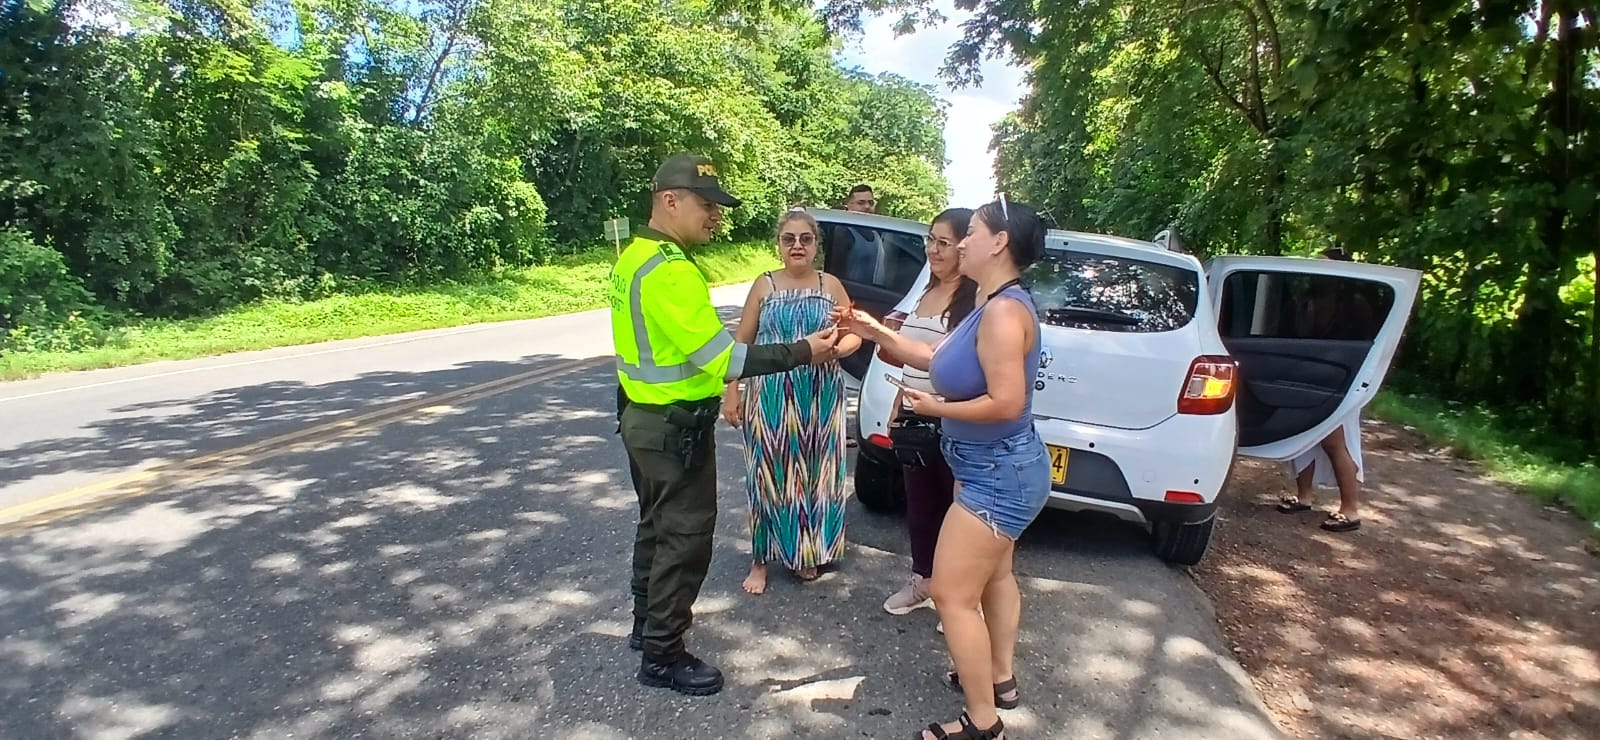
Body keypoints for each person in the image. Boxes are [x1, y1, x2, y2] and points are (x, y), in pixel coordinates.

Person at [611, 153, 839, 697]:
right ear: (670, 200)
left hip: (643, 418)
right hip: (672, 429)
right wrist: (803, 350)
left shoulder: (634, 257)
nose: (715, 216)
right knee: (684, 540)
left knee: (655, 527)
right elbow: (725, 360)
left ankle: (646, 628)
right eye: (706, 204)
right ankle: (664, 655)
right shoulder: (669, 270)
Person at [837, 195, 1050, 740]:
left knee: (952, 595)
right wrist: (876, 330)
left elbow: (1006, 400)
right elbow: (939, 360)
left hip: (996, 474)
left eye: (974, 232)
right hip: (994, 467)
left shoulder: (1002, 312)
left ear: (999, 242)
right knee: (997, 575)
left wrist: (936, 408)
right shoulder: (991, 299)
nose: (964, 241)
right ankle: (1000, 679)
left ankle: (982, 722)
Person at [829, 208, 978, 616]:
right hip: (916, 417)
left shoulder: (977, 300)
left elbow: (940, 359)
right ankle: (923, 582)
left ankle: (964, 601)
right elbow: (907, 359)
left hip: (959, 421)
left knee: (960, 515)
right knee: (920, 507)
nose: (932, 249)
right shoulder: (926, 291)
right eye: (930, 239)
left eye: (943, 243)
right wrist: (897, 404)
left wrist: (875, 330)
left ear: (967, 246)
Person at [723, 209, 862, 593]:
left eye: (806, 238)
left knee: (817, 474)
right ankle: (760, 561)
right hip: (771, 395)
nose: (797, 245)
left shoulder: (829, 284)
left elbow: (854, 334)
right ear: (779, 245)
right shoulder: (763, 285)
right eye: (789, 239)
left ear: (816, 244)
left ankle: (805, 552)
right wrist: (732, 390)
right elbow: (742, 342)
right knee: (768, 475)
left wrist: (838, 349)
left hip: (819, 394)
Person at [1275, 247, 1370, 532]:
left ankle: (1350, 510)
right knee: (1301, 435)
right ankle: (1304, 496)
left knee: (1334, 442)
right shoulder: (1309, 301)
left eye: (1324, 267)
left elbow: (1367, 344)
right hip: (1310, 375)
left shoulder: (1355, 303)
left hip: (1342, 379)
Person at [837, 184, 880, 283]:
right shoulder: (842, 232)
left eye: (870, 203)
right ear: (848, 205)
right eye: (861, 203)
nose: (867, 206)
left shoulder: (877, 233)